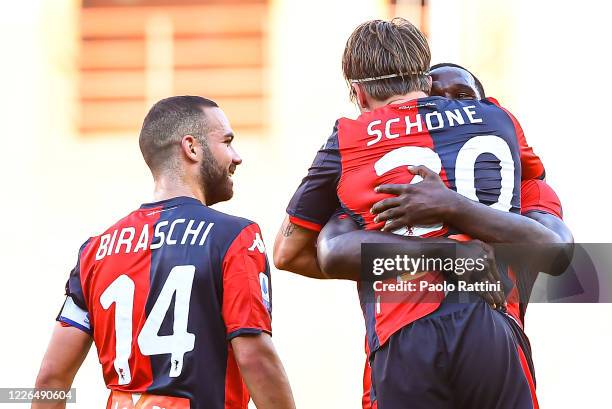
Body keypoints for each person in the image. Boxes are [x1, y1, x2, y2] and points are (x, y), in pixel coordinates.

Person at [274, 18, 562, 408]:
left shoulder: (348, 137)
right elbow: (541, 202)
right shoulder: (500, 120)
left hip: (403, 329)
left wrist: (372, 250)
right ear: (425, 81)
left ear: (358, 94)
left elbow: (289, 252)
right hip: (493, 323)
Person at [33, 96, 296, 409]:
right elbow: (256, 358)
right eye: (227, 141)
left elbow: (50, 378)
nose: (237, 157)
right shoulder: (235, 237)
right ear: (191, 147)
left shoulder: (95, 251)